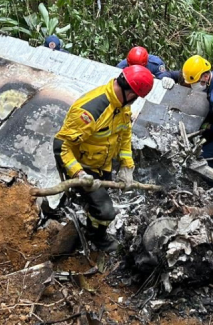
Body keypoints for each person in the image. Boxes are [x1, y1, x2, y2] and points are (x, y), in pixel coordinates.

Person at [53, 65, 154, 252]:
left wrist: (127, 166)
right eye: (136, 97)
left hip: (102, 164)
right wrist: (79, 174)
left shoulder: (121, 106)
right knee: (106, 212)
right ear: (131, 93)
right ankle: (97, 237)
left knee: (99, 203)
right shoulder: (90, 111)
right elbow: (61, 146)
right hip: (83, 166)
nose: (135, 101)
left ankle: (90, 215)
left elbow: (125, 135)